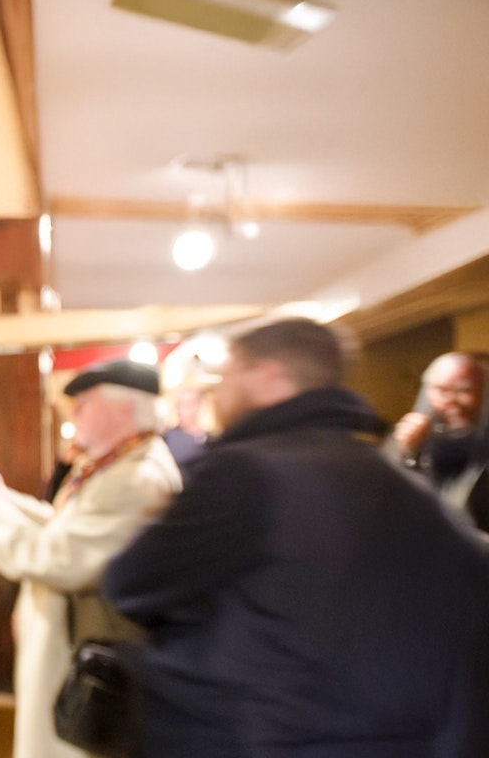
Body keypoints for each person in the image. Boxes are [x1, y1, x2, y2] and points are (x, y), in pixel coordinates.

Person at [102, 318, 489, 757]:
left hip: (258, 736)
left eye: (226, 378)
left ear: (269, 378)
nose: (218, 396)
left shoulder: (245, 473)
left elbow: (131, 583)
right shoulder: (407, 490)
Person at [0, 359, 181, 758]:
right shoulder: (119, 465)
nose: (75, 413)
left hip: (90, 665)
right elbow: (63, 525)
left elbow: (58, 558)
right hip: (72, 651)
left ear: (124, 409)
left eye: (86, 403)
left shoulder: (138, 480)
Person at [388, 352, 489, 531]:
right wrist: (406, 453)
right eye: (442, 390)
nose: (451, 400)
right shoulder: (410, 443)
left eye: (464, 390)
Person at [161, 382, 212, 472]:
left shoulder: (209, 440)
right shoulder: (167, 437)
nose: (180, 411)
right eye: (178, 406)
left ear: (198, 406)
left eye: (187, 406)